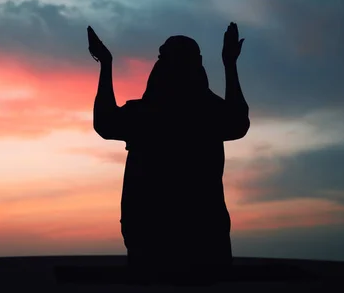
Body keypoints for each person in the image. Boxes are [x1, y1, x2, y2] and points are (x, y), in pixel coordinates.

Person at [89, 22, 250, 282]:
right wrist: (229, 64)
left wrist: (106, 64)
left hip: (168, 236)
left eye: (166, 58)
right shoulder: (207, 115)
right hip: (191, 235)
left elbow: (105, 122)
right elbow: (237, 120)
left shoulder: (147, 115)